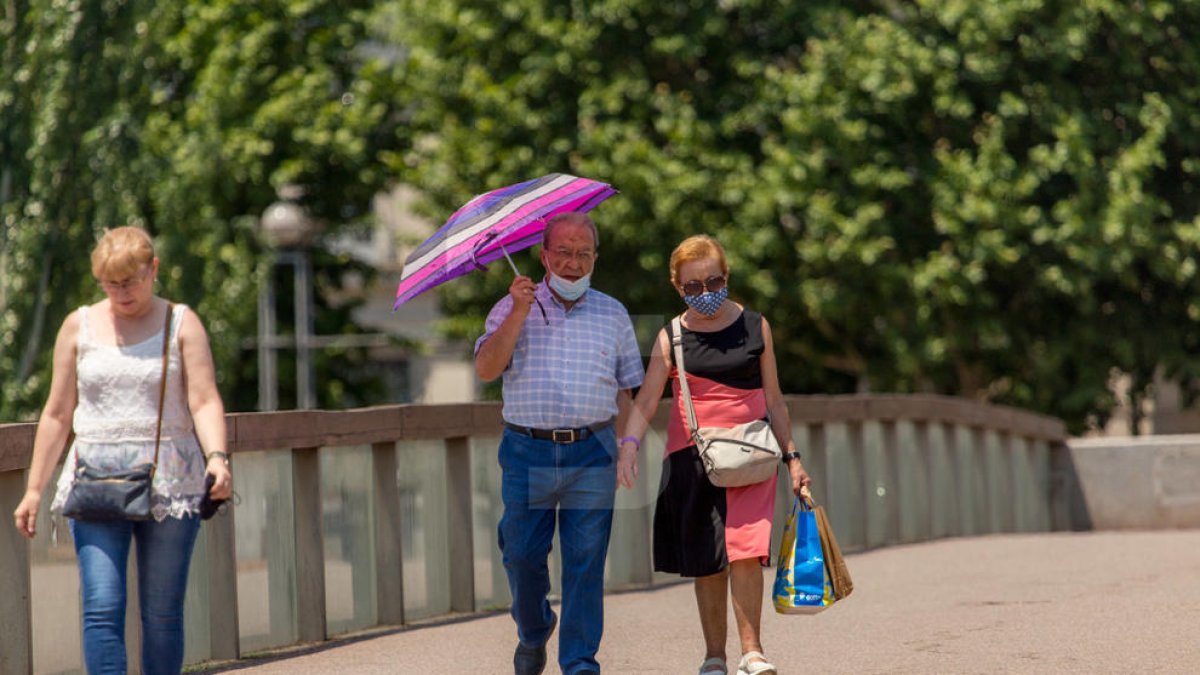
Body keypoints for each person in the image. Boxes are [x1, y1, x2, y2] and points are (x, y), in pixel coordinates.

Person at [12, 226, 233, 675]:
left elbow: (205, 399)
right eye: (111, 284)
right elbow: (56, 414)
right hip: (95, 478)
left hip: (169, 478)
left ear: (154, 270)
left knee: (162, 612)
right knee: (101, 605)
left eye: (130, 281)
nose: (121, 293)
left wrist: (217, 458)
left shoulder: (180, 322)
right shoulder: (79, 325)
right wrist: (34, 489)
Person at [616, 235, 811, 675]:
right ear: (676, 286)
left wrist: (793, 458)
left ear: (727, 276)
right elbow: (647, 400)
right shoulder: (673, 335)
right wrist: (628, 445)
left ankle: (753, 652)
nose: (705, 293)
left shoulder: (756, 326)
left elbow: (775, 400)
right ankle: (714, 656)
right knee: (708, 557)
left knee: (746, 550)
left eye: (714, 281)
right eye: (693, 287)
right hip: (694, 455)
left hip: (751, 452)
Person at [475, 211, 645, 675]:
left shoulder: (612, 312)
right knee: (521, 553)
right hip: (527, 451)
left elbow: (627, 390)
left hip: (592, 449)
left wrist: (629, 444)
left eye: (584, 254)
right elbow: (487, 369)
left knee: (586, 563)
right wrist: (518, 313)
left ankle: (580, 663)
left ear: (595, 259)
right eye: (564, 253)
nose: (573, 264)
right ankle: (533, 630)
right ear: (545, 255)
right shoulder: (511, 307)